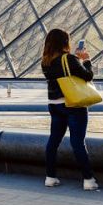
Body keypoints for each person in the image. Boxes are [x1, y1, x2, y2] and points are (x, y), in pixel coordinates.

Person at [41, 29, 98, 191]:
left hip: (54, 104)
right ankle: (88, 180)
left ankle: (50, 177)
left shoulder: (45, 61)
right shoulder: (70, 59)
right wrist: (85, 60)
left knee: (53, 141)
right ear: (65, 42)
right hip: (72, 104)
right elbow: (87, 76)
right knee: (77, 142)